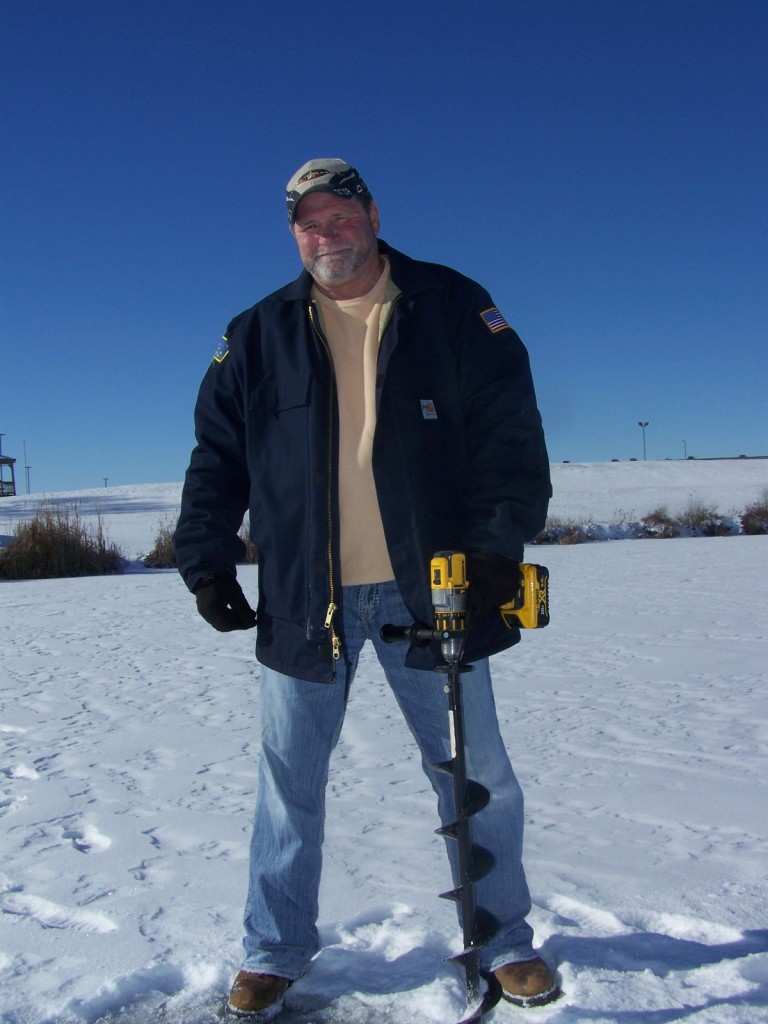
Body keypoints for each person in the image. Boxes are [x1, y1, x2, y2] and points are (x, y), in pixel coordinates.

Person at [174, 159, 557, 1019]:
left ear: (372, 213)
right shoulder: (258, 332)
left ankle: (503, 943)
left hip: (437, 591)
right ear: (293, 234)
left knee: (476, 776)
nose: (326, 233)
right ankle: (273, 951)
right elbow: (218, 458)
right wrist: (205, 559)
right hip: (306, 598)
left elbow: (510, 434)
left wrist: (497, 549)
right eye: (308, 222)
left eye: (340, 213)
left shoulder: (452, 305)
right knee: (288, 783)